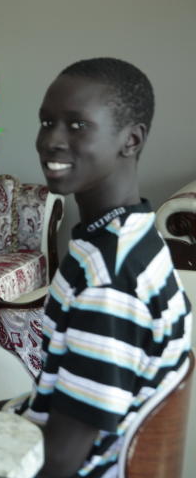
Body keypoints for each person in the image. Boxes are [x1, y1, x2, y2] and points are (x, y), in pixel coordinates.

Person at [24, 57, 191, 477]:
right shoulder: (125, 237)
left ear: (130, 140)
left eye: (77, 126)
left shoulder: (110, 280)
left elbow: (62, 461)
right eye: (47, 122)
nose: (52, 141)